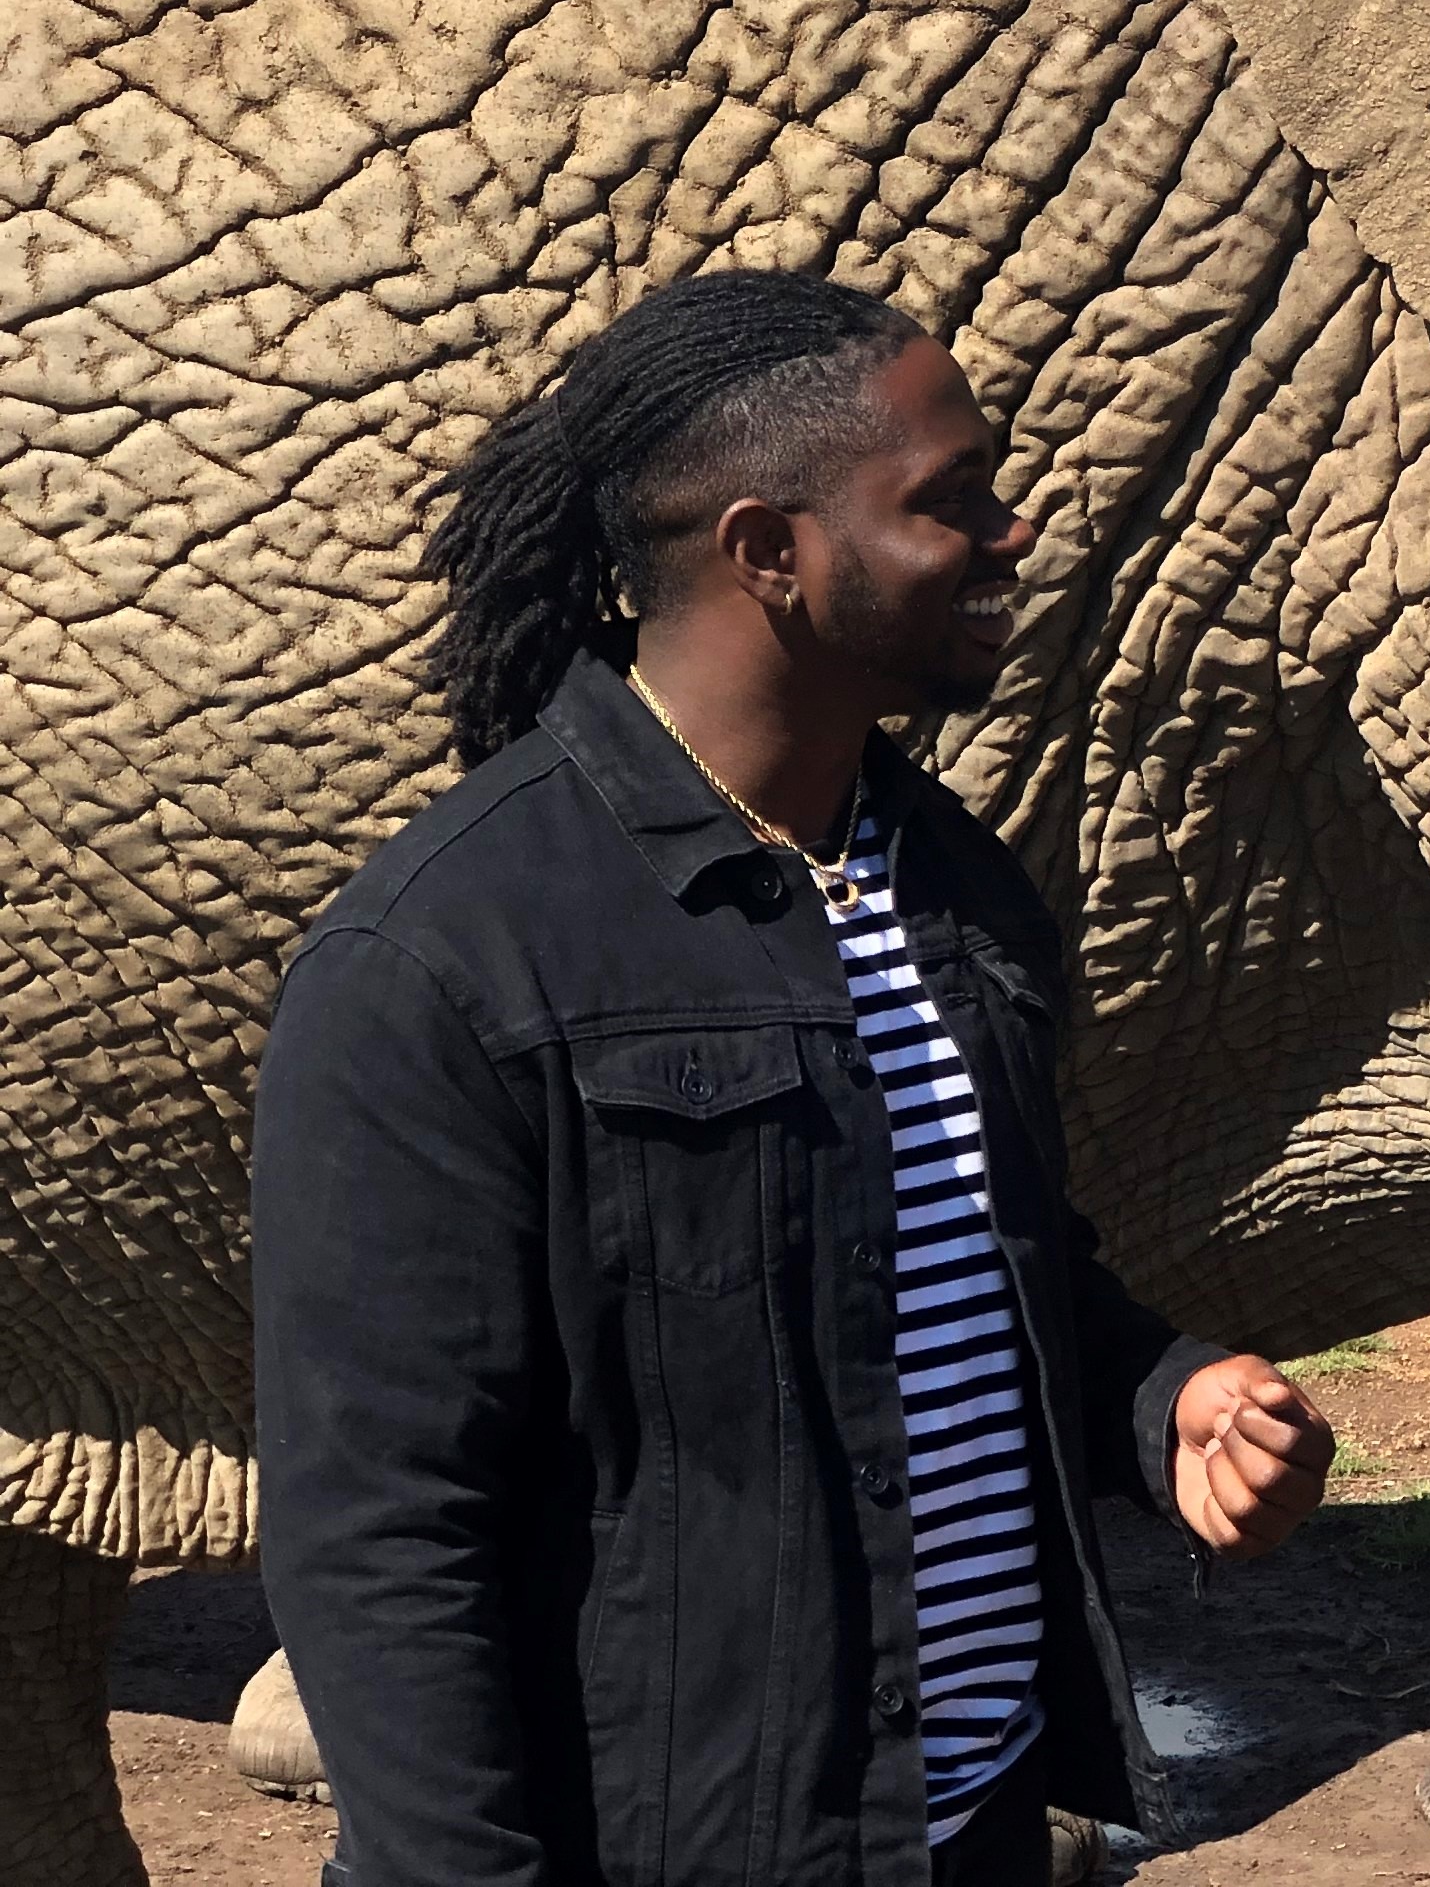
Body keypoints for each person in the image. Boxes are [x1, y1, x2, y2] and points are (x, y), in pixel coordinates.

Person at [254, 273, 1340, 1884]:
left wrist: (1160, 1395)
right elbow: (381, 1534)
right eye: (951, 500)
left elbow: (976, 1263)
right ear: (772, 552)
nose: (1014, 535)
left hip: (964, 1834)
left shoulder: (954, 888)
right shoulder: (441, 964)